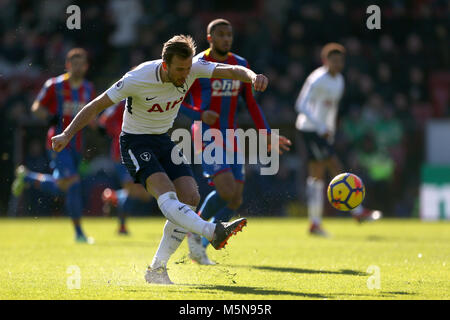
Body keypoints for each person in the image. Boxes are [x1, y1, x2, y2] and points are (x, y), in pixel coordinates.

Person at [50, 35, 269, 284]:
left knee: (191, 198)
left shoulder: (193, 68)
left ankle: (156, 270)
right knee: (167, 194)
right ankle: (210, 231)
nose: (185, 75)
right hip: (135, 141)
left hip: (163, 140)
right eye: (179, 70)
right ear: (165, 65)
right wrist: (67, 134)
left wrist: (252, 76)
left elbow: (230, 71)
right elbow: (96, 105)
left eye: (188, 69)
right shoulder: (138, 77)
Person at [180, 19, 291, 265]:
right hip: (207, 134)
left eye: (229, 35)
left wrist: (266, 133)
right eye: (220, 35)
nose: (226, 39)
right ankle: (194, 232)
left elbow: (251, 104)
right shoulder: (197, 65)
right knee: (226, 190)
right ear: (209, 37)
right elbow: (178, 101)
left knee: (235, 199)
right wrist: (200, 115)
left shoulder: (240, 64)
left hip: (231, 134)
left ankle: (201, 247)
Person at [295, 43, 382, 237]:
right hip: (309, 129)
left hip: (323, 132)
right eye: (334, 60)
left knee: (317, 176)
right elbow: (300, 104)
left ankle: (315, 224)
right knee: (334, 165)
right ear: (326, 61)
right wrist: (320, 126)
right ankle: (357, 211)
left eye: (341, 60)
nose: (338, 64)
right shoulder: (317, 79)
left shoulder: (339, 81)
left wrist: (330, 129)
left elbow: (331, 109)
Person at [11, 48, 95, 243]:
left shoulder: (89, 88)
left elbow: (91, 114)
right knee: (73, 184)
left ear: (86, 66)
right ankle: (80, 234)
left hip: (77, 145)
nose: (77, 67)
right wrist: (48, 117)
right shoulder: (54, 85)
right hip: (57, 143)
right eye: (73, 63)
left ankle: (28, 177)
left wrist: (98, 126)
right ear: (68, 65)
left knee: (62, 187)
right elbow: (36, 107)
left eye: (80, 64)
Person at [98, 100, 154, 235]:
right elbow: (103, 121)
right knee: (135, 190)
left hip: (139, 153)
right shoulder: (121, 103)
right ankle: (122, 226)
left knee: (145, 195)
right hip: (121, 154)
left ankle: (113, 196)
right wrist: (117, 131)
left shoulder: (147, 101)